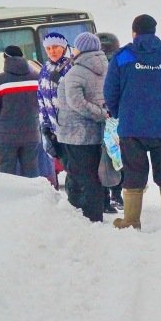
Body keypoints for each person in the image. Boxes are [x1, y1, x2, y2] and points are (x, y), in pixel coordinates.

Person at [104, 14, 161, 231]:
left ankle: (131, 220)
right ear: (154, 31)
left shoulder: (122, 57)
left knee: (134, 173)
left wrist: (120, 113)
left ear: (134, 32)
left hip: (131, 127)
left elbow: (110, 92)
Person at [57, 32, 110, 223]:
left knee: (82, 176)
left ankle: (88, 217)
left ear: (81, 48)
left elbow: (76, 102)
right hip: (98, 133)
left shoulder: (76, 72)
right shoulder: (107, 68)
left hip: (75, 133)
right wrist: (103, 114)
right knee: (95, 174)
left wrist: (97, 112)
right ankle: (97, 211)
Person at [0, 45, 41, 177]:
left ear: (5, 58)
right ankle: (33, 196)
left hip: (6, 135)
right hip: (31, 132)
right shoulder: (36, 78)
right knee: (31, 170)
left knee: (7, 172)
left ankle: (10, 197)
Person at [37, 31, 75, 194]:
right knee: (65, 163)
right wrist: (45, 124)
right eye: (49, 48)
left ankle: (77, 199)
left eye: (56, 47)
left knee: (74, 167)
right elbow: (41, 97)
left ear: (64, 47)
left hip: (71, 126)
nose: (52, 51)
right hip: (54, 128)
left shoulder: (71, 67)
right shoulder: (45, 69)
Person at [97, 31, 124, 213]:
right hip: (118, 117)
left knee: (104, 158)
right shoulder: (122, 62)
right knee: (119, 157)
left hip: (100, 117)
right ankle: (117, 192)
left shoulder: (93, 64)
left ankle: (108, 195)